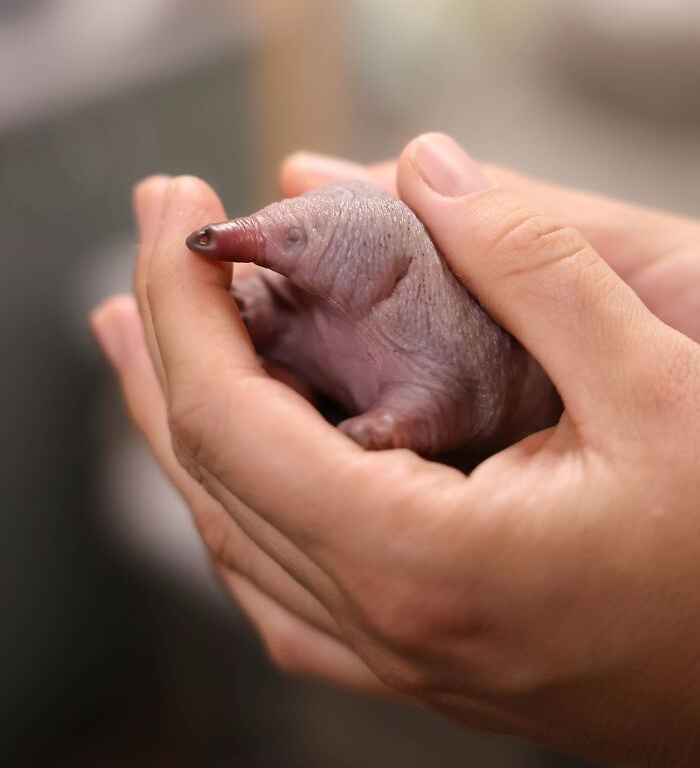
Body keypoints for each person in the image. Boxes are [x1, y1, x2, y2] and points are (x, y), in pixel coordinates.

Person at [91, 133, 700, 767]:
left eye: (289, 242)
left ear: (376, 268)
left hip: (514, 441)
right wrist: (259, 308)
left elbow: (447, 398)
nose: (247, 240)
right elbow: (282, 308)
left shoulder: (438, 340)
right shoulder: (316, 296)